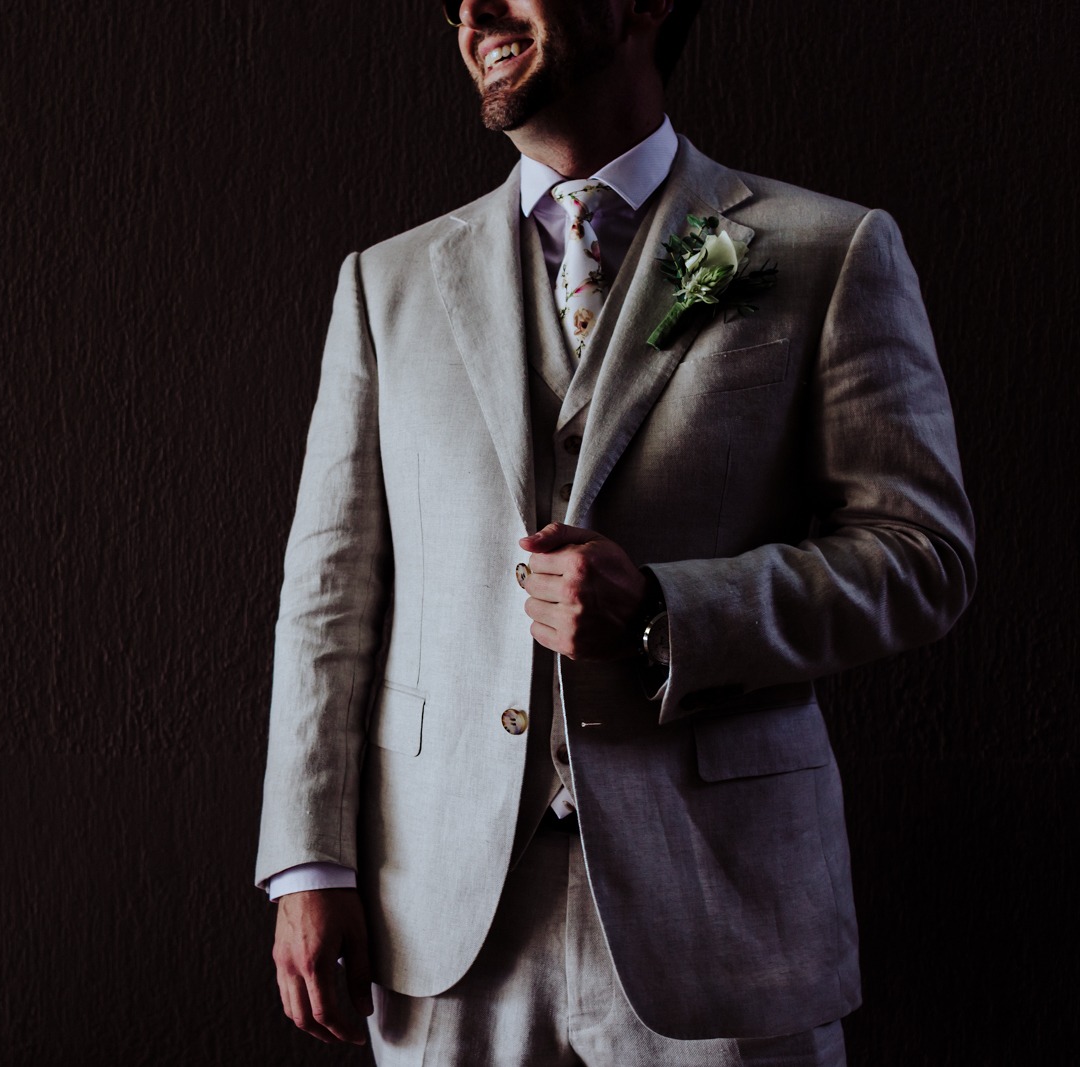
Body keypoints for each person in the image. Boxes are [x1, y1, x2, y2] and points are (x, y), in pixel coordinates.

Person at [254, 0, 975, 1064]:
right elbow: (329, 593)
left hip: (722, 908)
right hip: (443, 916)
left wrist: (674, 611)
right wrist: (310, 865)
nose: (470, 11)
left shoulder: (824, 249)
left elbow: (921, 557)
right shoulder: (387, 282)